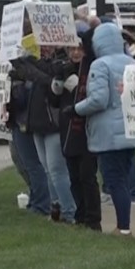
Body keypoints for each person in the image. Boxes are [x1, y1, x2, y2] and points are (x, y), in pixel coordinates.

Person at [72, 22, 135, 236]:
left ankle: (123, 227)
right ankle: (124, 224)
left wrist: (76, 109)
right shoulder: (133, 62)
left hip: (108, 134)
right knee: (123, 178)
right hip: (131, 129)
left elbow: (99, 100)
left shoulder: (100, 65)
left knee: (114, 181)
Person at [10, 47, 76, 223]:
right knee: (47, 170)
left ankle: (69, 212)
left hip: (53, 125)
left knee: (56, 170)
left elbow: (47, 79)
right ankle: (56, 209)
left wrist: (24, 63)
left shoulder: (61, 65)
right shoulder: (36, 65)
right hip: (37, 124)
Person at [49, 21, 102, 231]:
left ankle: (93, 219)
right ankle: (80, 216)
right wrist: (57, 86)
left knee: (87, 177)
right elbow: (54, 102)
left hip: (86, 130)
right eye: (72, 49)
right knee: (74, 177)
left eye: (79, 49)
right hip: (67, 130)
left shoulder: (92, 66)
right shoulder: (65, 68)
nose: (76, 53)